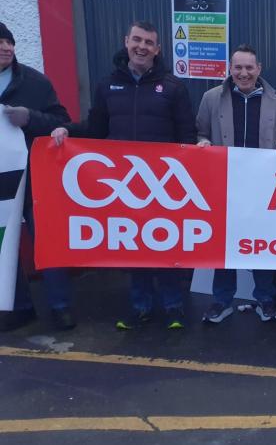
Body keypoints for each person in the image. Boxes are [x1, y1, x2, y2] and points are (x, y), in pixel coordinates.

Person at [51, 20, 196, 330]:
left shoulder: (173, 87)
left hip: (163, 184)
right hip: (124, 185)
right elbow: (94, 131)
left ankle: (174, 307)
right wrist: (67, 130)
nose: (142, 47)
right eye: (137, 40)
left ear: (158, 50)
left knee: (165, 244)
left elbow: (187, 137)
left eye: (149, 43)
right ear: (126, 41)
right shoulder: (107, 86)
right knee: (134, 246)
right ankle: (140, 306)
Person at [196, 44, 276, 324]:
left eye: (249, 67)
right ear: (230, 68)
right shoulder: (211, 98)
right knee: (223, 246)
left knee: (261, 246)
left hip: (262, 189)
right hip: (223, 186)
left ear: (259, 69)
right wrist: (202, 142)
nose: (243, 73)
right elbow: (201, 131)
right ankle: (221, 301)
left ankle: (265, 300)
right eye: (238, 67)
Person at [0, 22, 74, 331]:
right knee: (3, 244)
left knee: (47, 243)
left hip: (32, 178)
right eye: (0, 42)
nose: (6, 47)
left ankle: (60, 307)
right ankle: (17, 307)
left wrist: (29, 118)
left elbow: (61, 121)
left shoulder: (35, 82)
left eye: (9, 42)